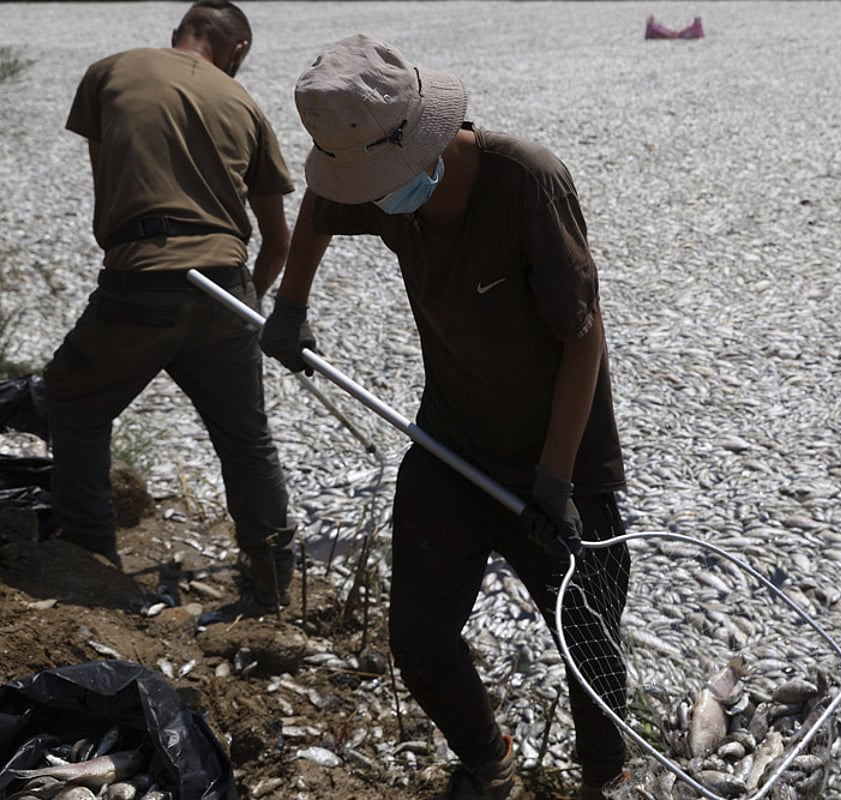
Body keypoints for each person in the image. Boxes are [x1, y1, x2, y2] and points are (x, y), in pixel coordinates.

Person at [262, 34, 631, 800]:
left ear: (419, 138)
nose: (377, 193)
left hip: (558, 458)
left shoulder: (528, 181)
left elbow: (584, 339)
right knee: (419, 640)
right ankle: (488, 762)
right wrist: (290, 305)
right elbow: (322, 209)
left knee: (588, 643)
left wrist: (555, 478)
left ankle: (605, 778)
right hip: (450, 441)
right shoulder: (371, 182)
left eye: (381, 179)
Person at [44, 0, 297, 612]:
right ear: (235, 51)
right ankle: (270, 586)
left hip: (140, 281)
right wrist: (245, 307)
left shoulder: (111, 71)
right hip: (228, 287)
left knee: (72, 402)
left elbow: (106, 187)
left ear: (178, 34)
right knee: (245, 438)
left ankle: (91, 566)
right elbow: (279, 240)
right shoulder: (245, 105)